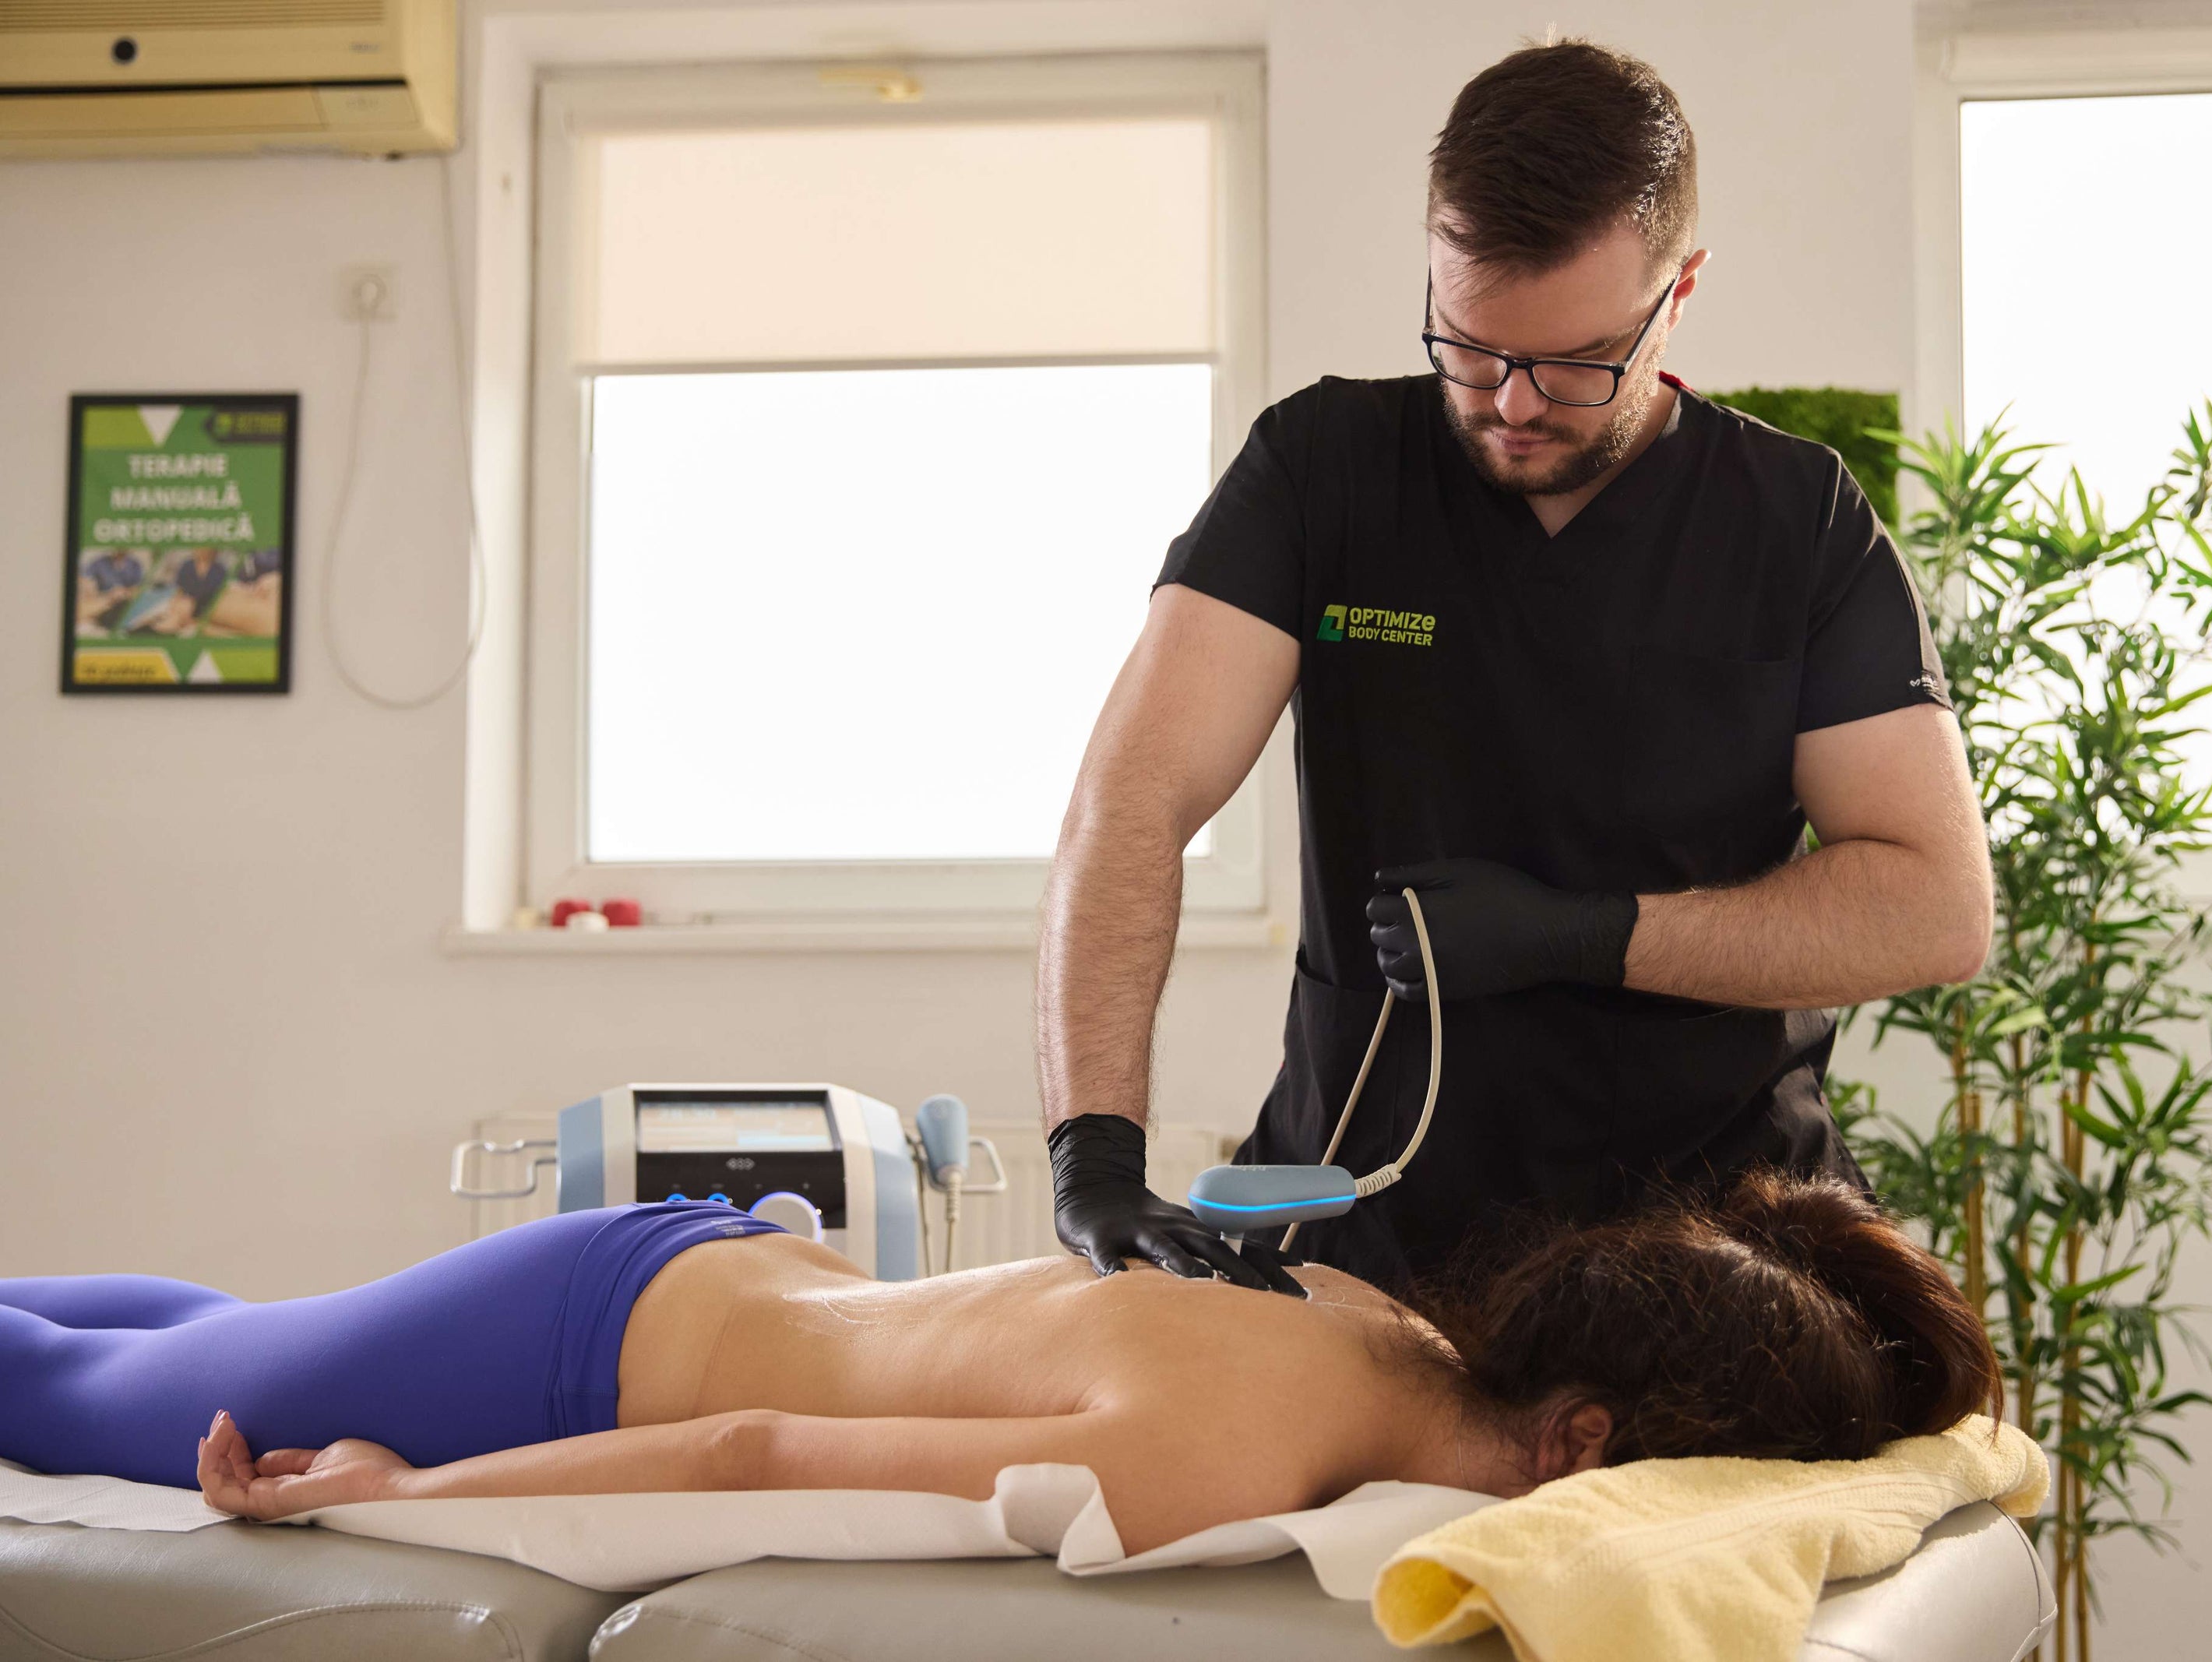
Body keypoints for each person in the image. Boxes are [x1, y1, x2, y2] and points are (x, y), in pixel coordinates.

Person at [1041, 40, 1992, 1300]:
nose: (1514, 404)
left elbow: (1934, 906)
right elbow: (1132, 800)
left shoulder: (1796, 520)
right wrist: (1094, 1153)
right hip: (1369, 1239)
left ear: (1680, 291)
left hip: (1717, 1258)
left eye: (1577, 362)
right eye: (1472, 349)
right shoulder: (1322, 472)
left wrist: (1587, 936)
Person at [2, 1175, 1999, 1555]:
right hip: (578, 1352)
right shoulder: (1224, 1463)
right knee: (89, 1398)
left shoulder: (1377, 1315)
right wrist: (405, 1493)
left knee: (177, 1330)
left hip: (687, 1269)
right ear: (1580, 1434)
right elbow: (749, 1449)